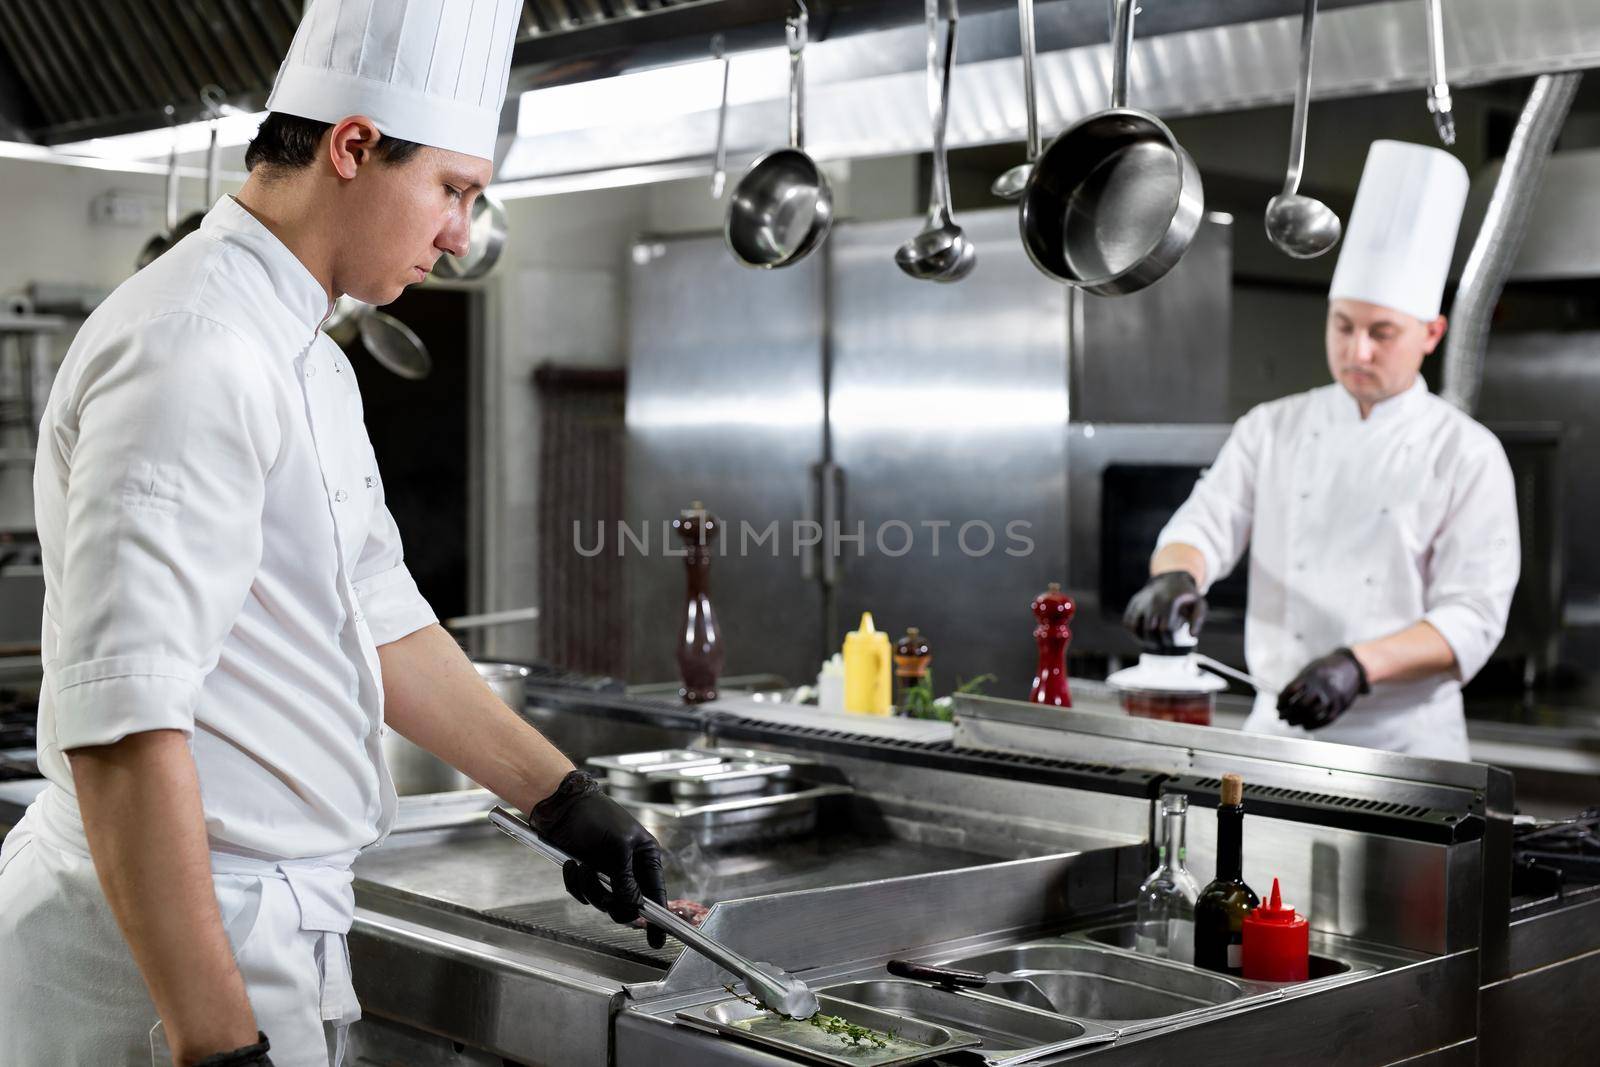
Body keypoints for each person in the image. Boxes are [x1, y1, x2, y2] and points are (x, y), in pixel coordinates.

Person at [0, 3, 664, 1064]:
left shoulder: (305, 353)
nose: (459, 233)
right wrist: (218, 1041)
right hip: (163, 963)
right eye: (452, 189)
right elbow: (124, 719)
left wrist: (563, 796)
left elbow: (381, 620)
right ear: (352, 146)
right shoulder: (195, 345)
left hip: (262, 923)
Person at [1124, 139, 1520, 762]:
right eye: (1344, 325)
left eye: (1381, 333)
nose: (1358, 351)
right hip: (1275, 734)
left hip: (1407, 747)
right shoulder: (1273, 427)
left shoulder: (1467, 453)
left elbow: (1472, 617)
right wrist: (1177, 573)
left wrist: (1357, 666)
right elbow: (1205, 525)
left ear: (1432, 333)